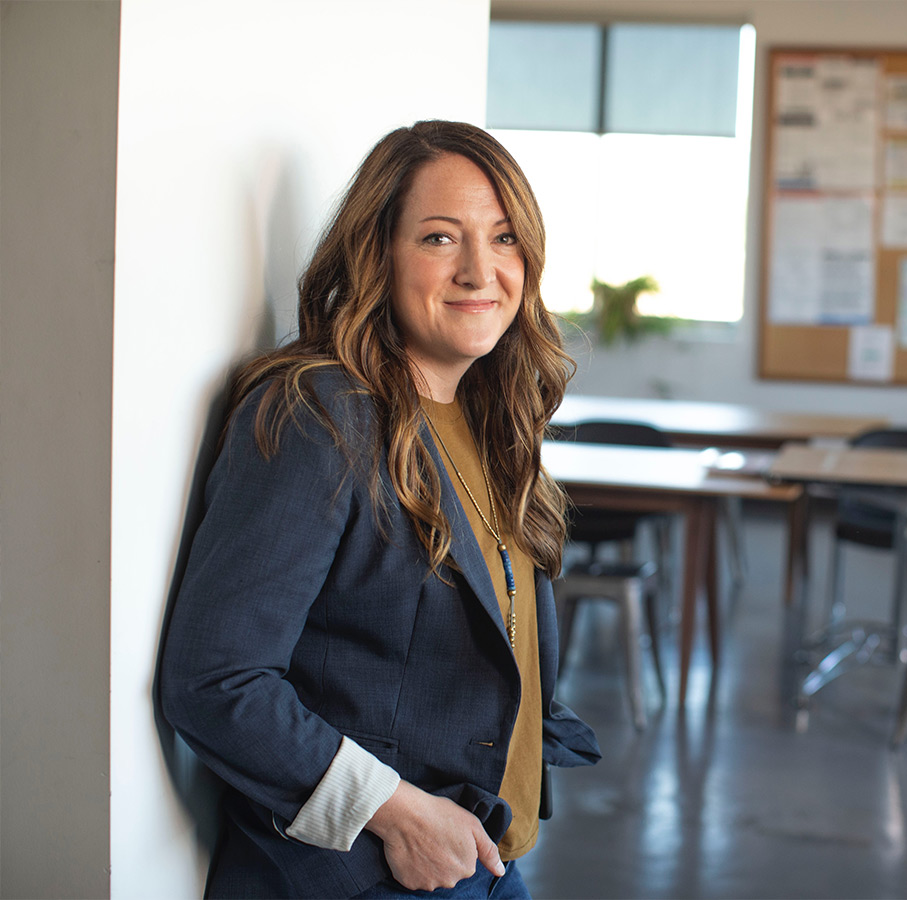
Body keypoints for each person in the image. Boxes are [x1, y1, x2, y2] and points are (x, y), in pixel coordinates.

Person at [160, 120, 600, 899]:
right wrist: (395, 812)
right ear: (379, 254)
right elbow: (216, 678)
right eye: (439, 238)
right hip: (369, 871)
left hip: (483, 857)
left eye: (504, 238)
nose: (480, 269)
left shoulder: (489, 417)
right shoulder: (320, 415)